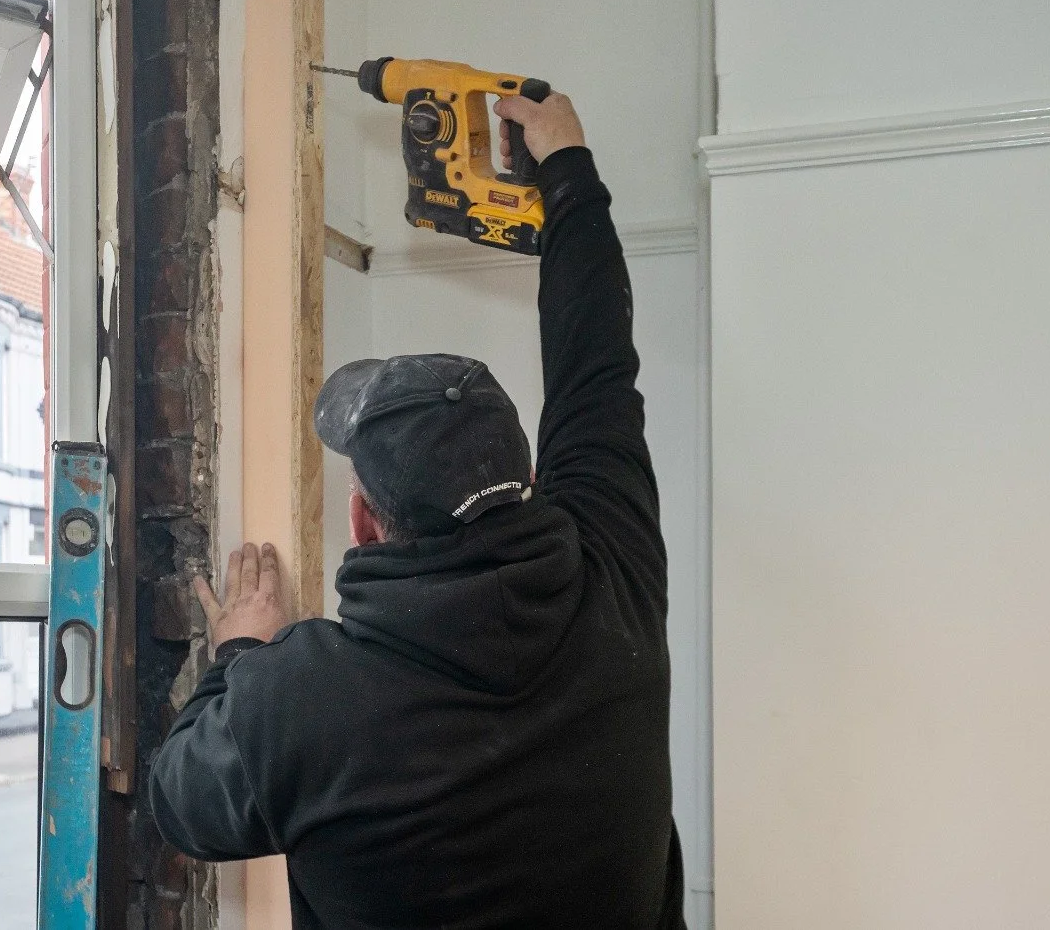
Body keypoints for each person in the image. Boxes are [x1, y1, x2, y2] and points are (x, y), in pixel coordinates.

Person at [150, 93, 686, 930]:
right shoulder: (614, 571)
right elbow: (597, 364)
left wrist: (240, 654)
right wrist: (568, 170)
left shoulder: (298, 699)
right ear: (532, 476)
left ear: (364, 524)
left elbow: (177, 802)